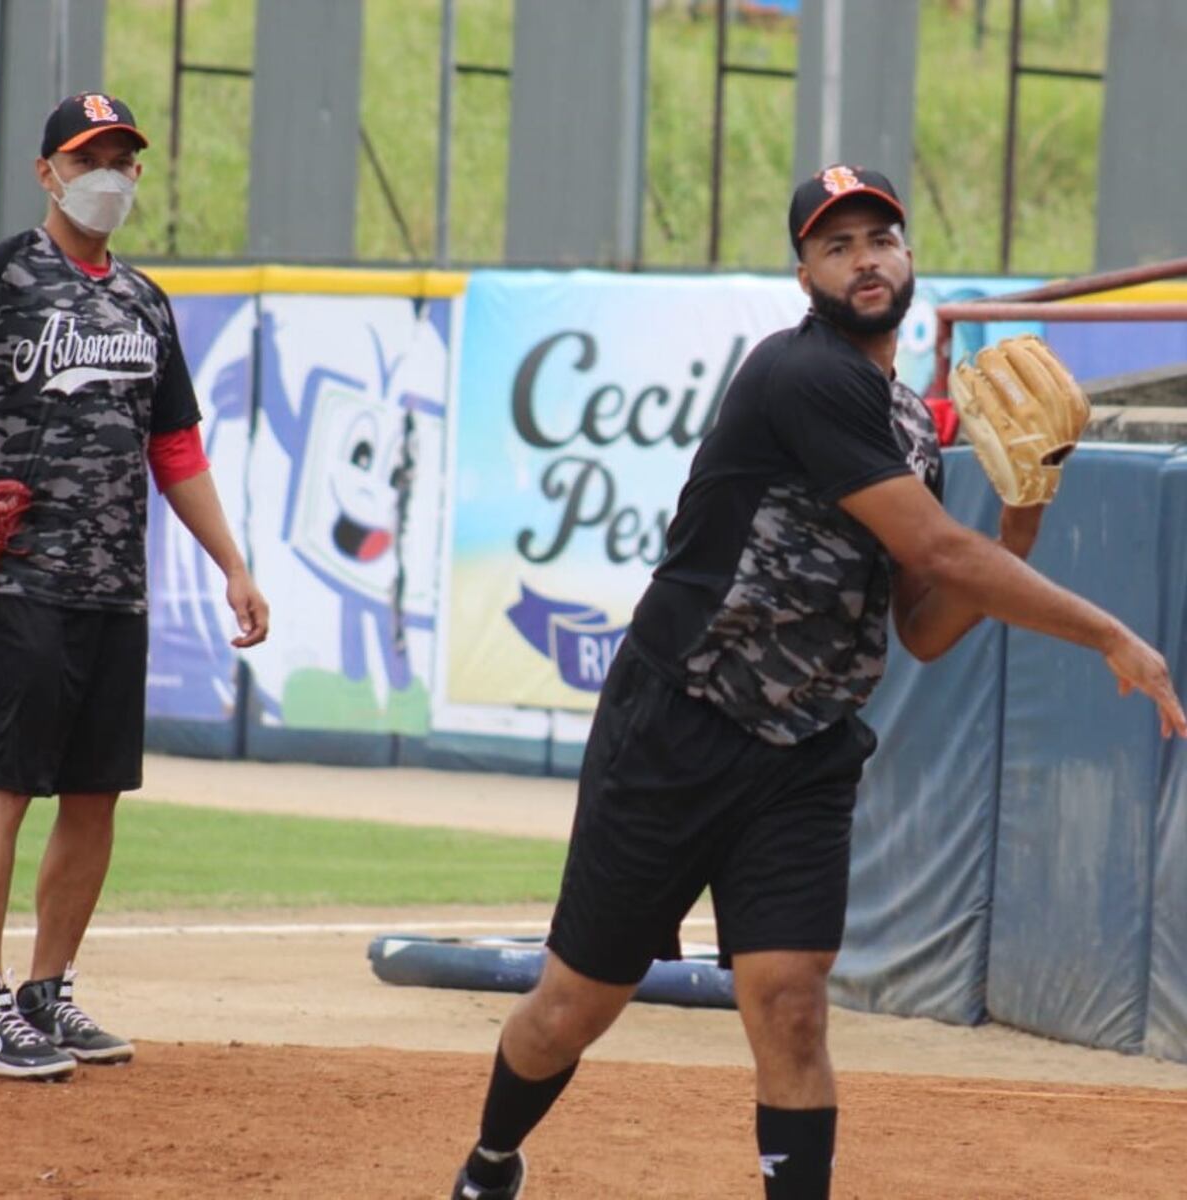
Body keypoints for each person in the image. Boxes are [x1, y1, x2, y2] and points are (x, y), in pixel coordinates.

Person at [448, 163, 1186, 1199]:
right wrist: (1111, 634)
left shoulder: (914, 429)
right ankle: (491, 1162)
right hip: (681, 726)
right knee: (576, 1003)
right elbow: (940, 550)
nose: (863, 258)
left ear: (909, 256)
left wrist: (1023, 518)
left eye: (879, 237)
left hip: (805, 753)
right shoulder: (800, 375)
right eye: (835, 244)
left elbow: (925, 631)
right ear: (804, 270)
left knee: (791, 1004)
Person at [0, 93, 269, 1081]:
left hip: (115, 586)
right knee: (4, 788)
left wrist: (232, 563)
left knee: (97, 792)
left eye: (121, 156)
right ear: (46, 172)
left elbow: (175, 445)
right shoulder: (3, 276)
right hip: (15, 580)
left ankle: (44, 990)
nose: (108, 172)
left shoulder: (145, 303)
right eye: (88, 155)